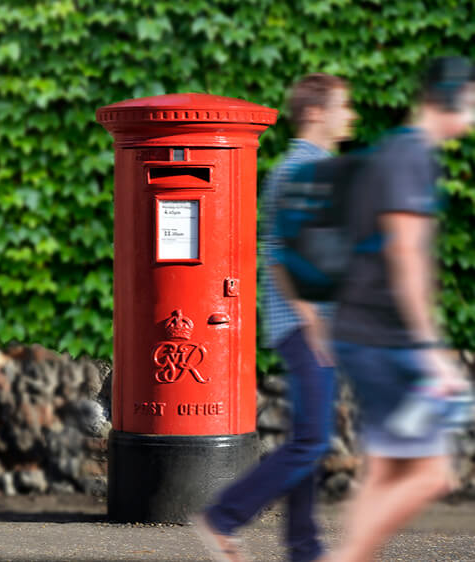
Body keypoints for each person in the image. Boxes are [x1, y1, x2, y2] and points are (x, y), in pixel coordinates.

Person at [193, 73, 357, 562]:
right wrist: (313, 320)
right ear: (315, 113)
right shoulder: (302, 170)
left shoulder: (317, 167)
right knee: (310, 441)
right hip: (306, 327)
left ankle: (303, 548)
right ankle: (223, 518)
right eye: (343, 106)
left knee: (307, 438)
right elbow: (281, 253)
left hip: (314, 324)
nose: (350, 115)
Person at [329, 56, 475, 562]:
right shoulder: (411, 155)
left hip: (362, 331)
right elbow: (405, 251)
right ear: (452, 96)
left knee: (389, 470)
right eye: (473, 99)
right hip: (386, 338)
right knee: (433, 474)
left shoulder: (397, 151)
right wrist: (429, 345)